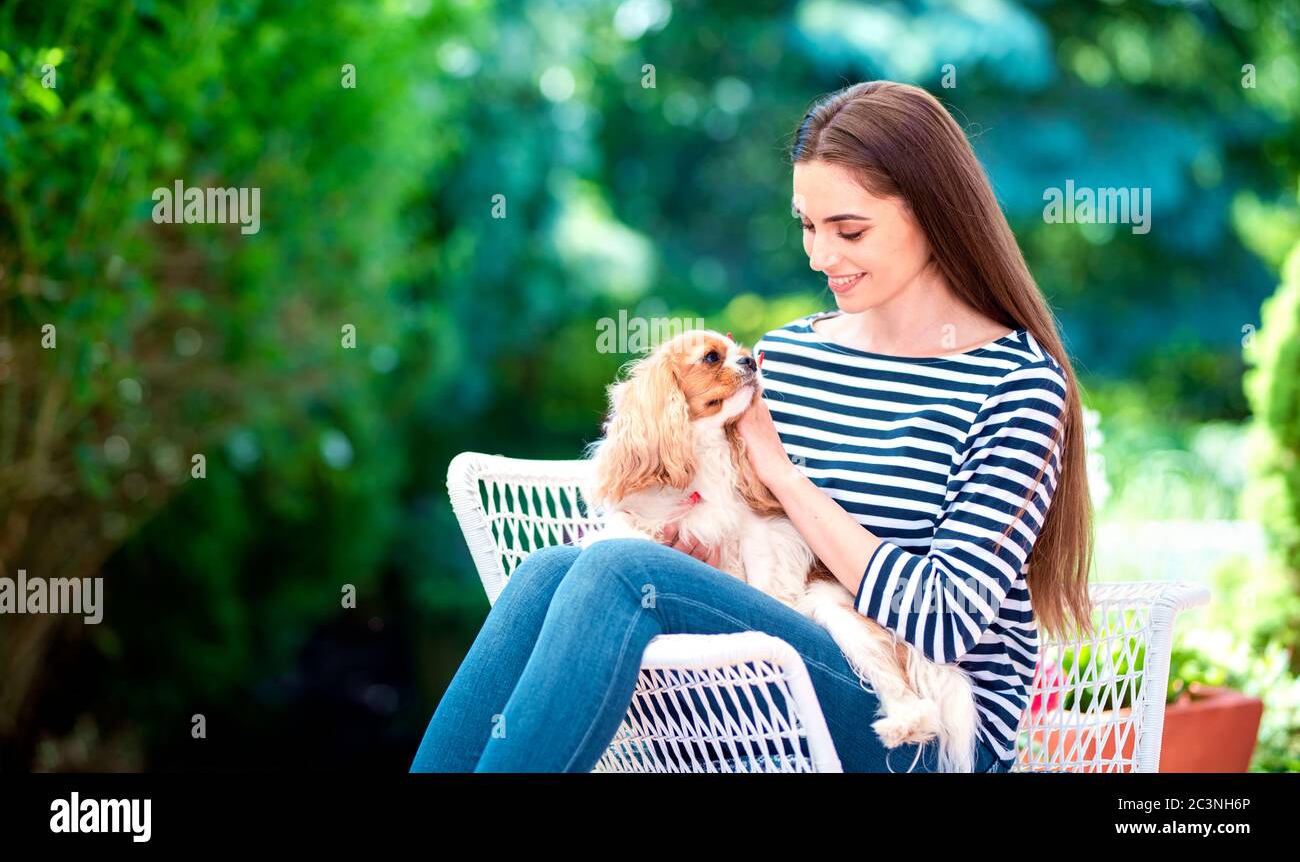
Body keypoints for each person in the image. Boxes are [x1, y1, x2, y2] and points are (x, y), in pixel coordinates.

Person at [410, 80, 1094, 773]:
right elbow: (732, 531)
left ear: (934, 212)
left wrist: (784, 477)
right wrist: (695, 550)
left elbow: (942, 622)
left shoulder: (1015, 387)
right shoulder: (786, 357)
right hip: (765, 687)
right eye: (807, 225)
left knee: (615, 571)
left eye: (849, 230)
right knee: (557, 566)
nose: (820, 256)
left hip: (922, 725)